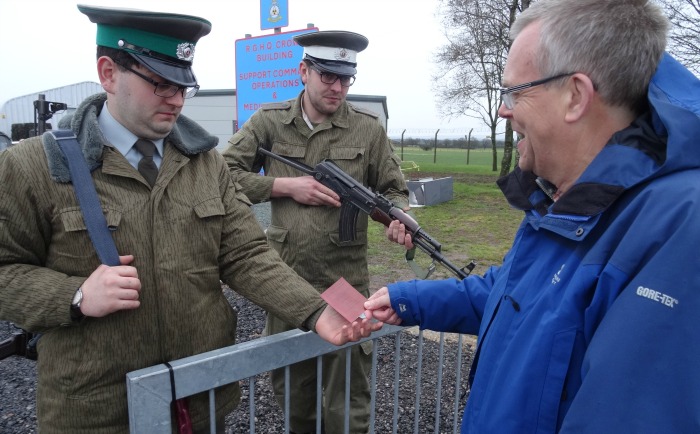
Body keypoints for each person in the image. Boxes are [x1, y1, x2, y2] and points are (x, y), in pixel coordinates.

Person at [0, 5, 382, 434]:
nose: (177, 100)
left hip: (200, 401)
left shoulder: (204, 164)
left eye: (184, 85)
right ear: (108, 73)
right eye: (161, 83)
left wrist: (317, 313)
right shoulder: (33, 167)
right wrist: (74, 295)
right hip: (99, 411)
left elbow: (247, 255)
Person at [366, 0, 700, 433]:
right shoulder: (565, 199)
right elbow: (517, 298)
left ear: (575, 96)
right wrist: (411, 298)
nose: (504, 110)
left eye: (515, 92)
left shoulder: (678, 231)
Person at [223, 30, 409, 434]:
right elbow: (224, 174)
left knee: (349, 398)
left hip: (345, 281)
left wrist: (398, 219)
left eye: (346, 79)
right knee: (293, 391)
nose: (338, 88)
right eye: (328, 76)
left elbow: (395, 190)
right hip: (286, 280)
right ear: (303, 71)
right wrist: (285, 185)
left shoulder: (367, 130)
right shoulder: (269, 123)